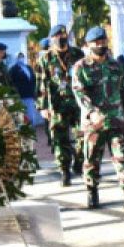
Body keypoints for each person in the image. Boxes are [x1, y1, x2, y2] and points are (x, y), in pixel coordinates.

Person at [71, 26, 124, 211]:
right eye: (96, 43)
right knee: (92, 159)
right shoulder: (81, 67)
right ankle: (92, 191)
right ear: (88, 44)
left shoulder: (115, 66)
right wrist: (91, 111)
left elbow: (123, 91)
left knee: (123, 157)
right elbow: (79, 93)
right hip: (94, 123)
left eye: (103, 41)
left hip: (116, 120)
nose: (100, 45)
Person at [36, 24, 85, 186]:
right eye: (57, 37)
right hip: (57, 104)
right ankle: (64, 170)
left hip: (78, 103)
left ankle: (79, 162)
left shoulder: (78, 54)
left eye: (63, 36)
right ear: (51, 39)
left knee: (83, 136)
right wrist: (43, 107)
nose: (61, 39)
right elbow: (41, 82)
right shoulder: (46, 59)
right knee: (59, 138)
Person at [9, 52, 40, 126]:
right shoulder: (13, 69)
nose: (21, 58)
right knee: (21, 117)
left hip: (29, 95)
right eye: (19, 57)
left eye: (22, 56)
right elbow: (10, 82)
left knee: (30, 116)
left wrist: (34, 92)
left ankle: (31, 133)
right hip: (19, 96)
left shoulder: (28, 67)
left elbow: (33, 79)